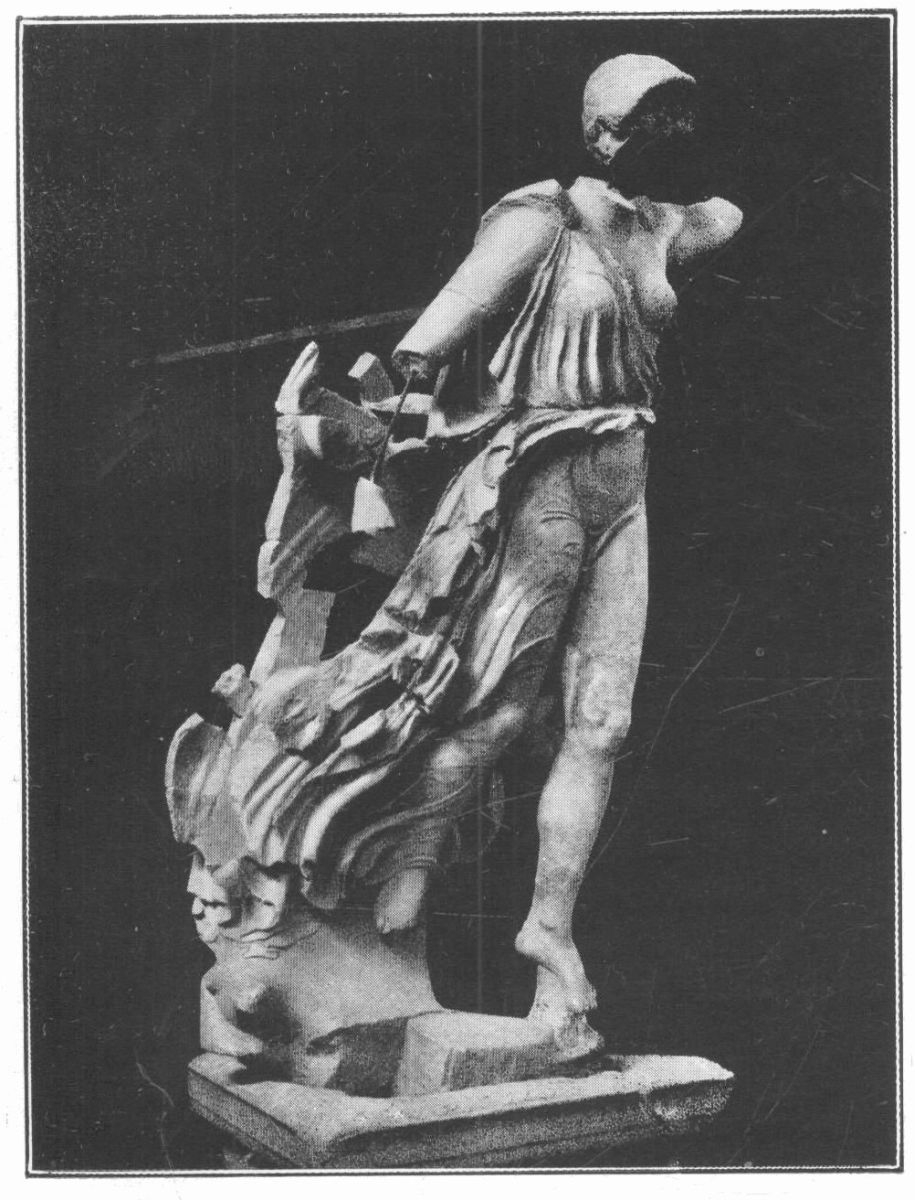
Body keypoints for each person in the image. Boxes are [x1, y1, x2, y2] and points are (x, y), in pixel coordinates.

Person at [185, 54, 743, 1042]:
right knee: (498, 710)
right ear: (596, 133)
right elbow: (428, 344)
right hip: (543, 481)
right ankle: (408, 850)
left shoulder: (663, 226)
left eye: (670, 123)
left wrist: (667, 165)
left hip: (625, 484)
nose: (655, 140)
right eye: (635, 123)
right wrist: (386, 436)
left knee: (603, 723)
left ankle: (548, 929)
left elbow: (726, 214)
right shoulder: (538, 220)